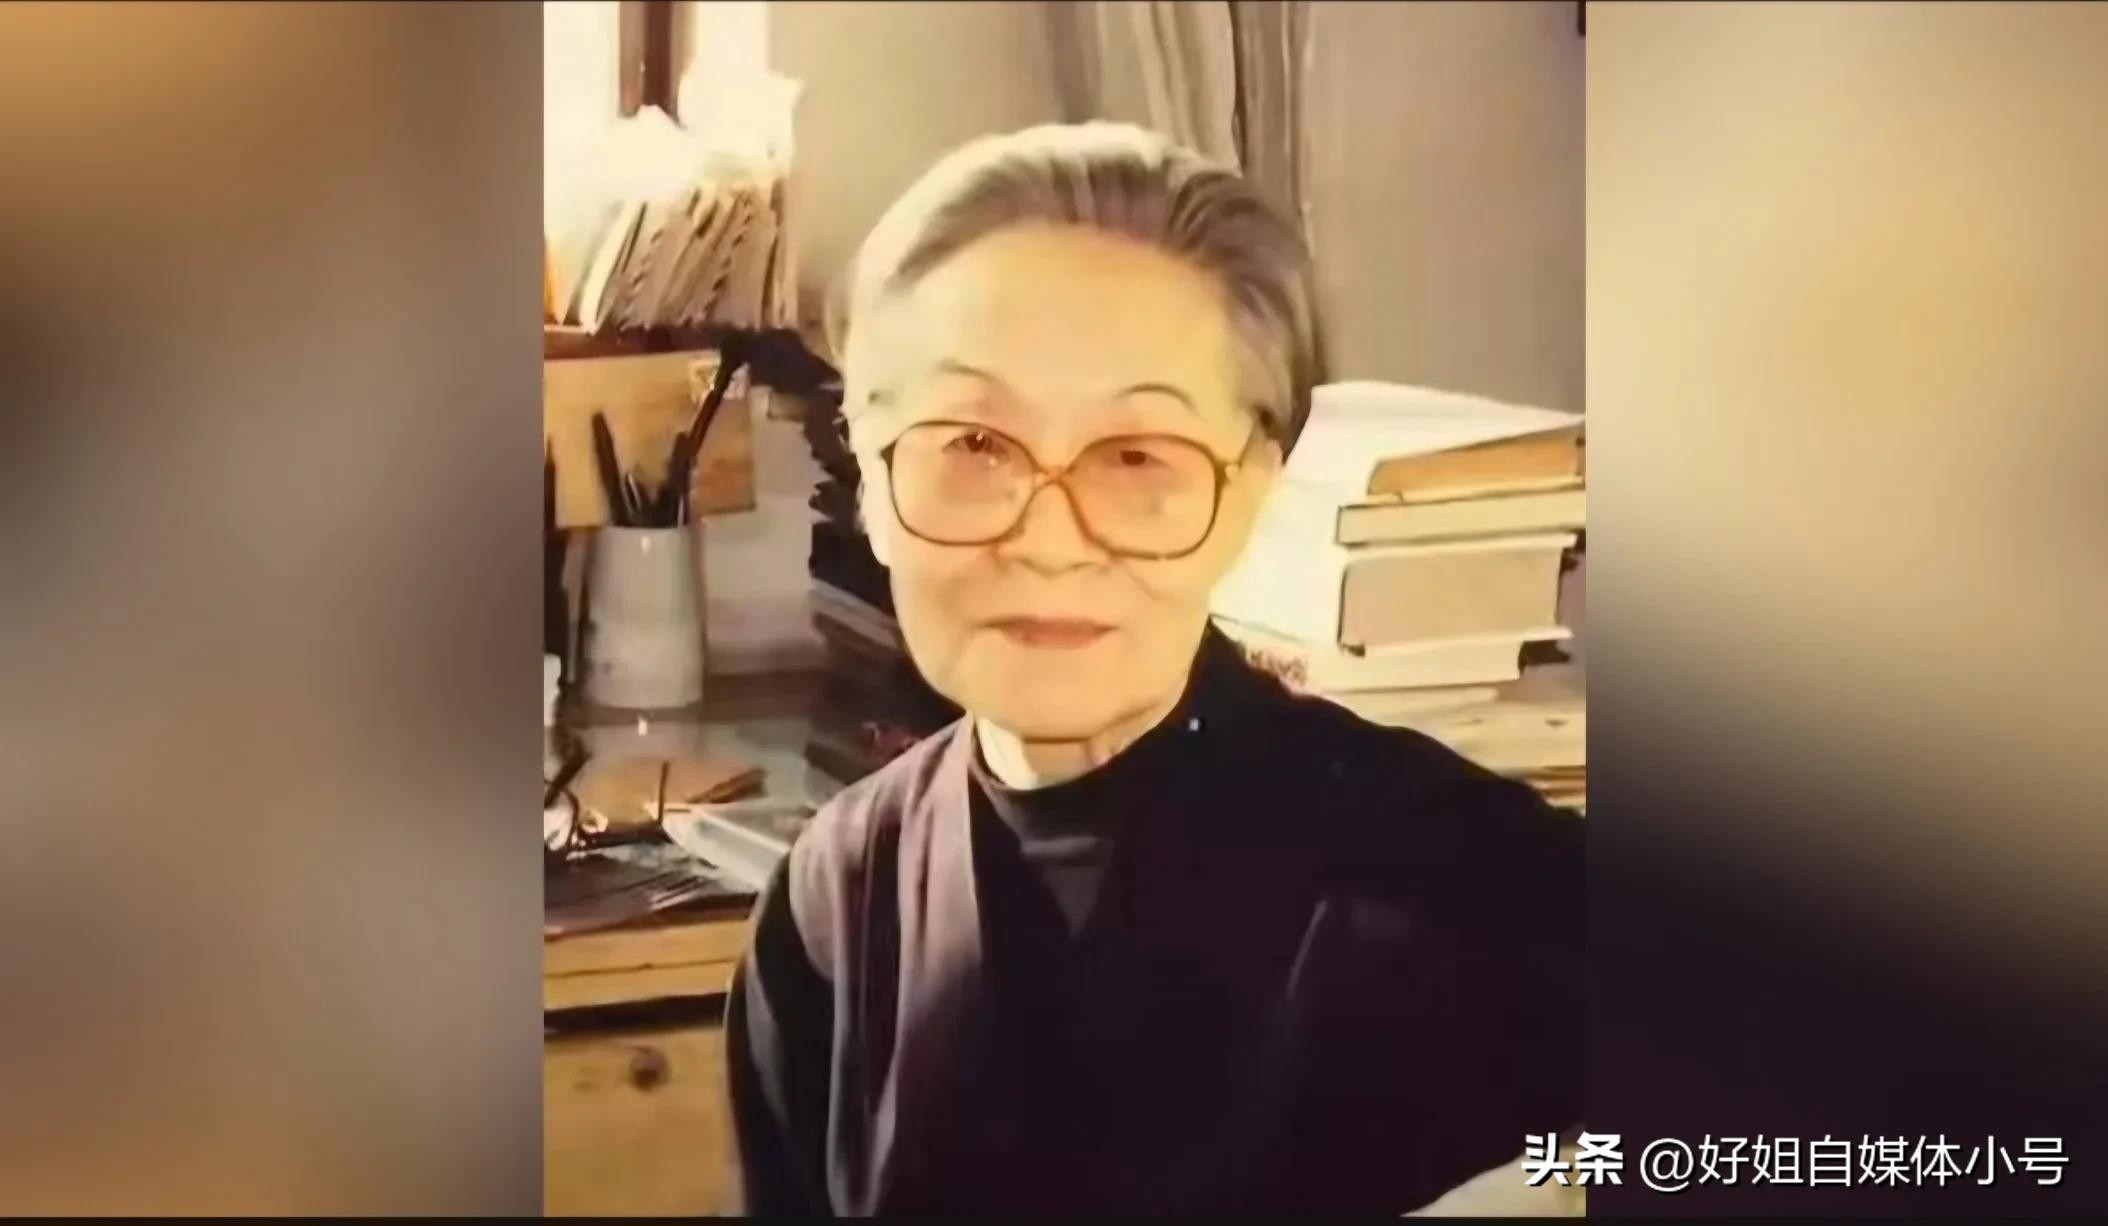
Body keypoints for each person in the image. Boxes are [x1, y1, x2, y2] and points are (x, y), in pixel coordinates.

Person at [726, 122, 1584, 1216]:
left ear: (1250, 492)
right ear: (870, 478)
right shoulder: (837, 899)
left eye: (1136, 455)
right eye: (974, 445)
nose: (1048, 539)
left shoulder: (1483, 881)